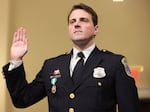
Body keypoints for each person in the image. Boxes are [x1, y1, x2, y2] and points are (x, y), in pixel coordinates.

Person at [2, 3, 139, 112]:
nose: (76, 24)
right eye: (72, 21)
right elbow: (22, 99)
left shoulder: (114, 63)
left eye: (83, 20)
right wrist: (16, 60)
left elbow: (129, 108)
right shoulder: (52, 65)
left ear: (96, 29)